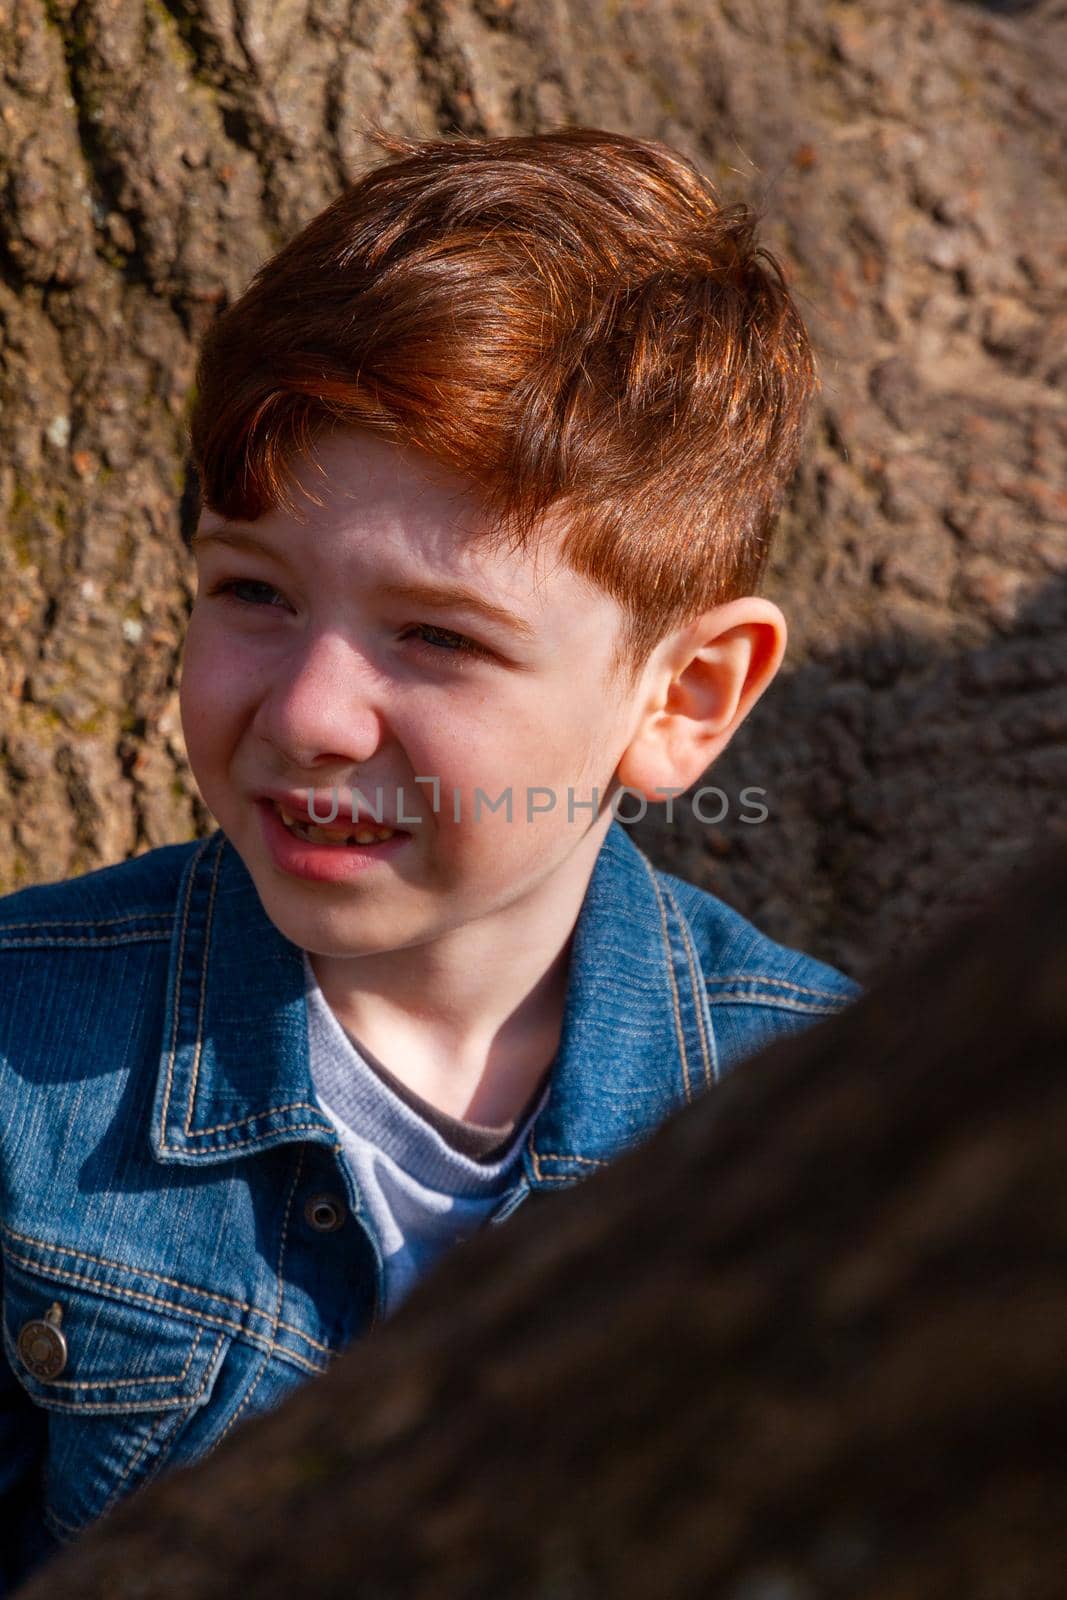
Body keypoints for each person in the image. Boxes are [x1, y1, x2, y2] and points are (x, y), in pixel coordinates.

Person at [0, 124, 859, 1586]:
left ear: (683, 698)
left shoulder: (823, 1122)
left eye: (438, 636)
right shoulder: (23, 1048)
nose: (313, 713)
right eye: (253, 590)